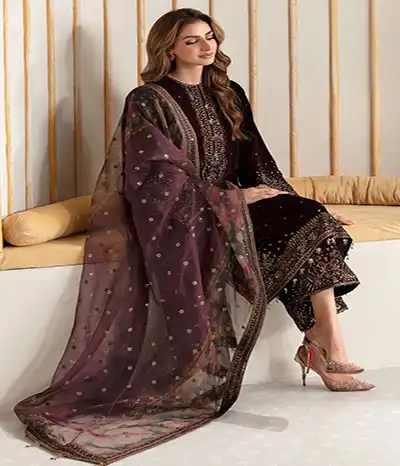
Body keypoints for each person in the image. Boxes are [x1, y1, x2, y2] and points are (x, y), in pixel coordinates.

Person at [14, 8, 374, 465]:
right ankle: (322, 349)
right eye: (192, 41)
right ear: (168, 48)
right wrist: (229, 198)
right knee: (306, 223)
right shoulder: (148, 100)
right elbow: (151, 181)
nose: (207, 48)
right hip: (182, 216)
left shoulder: (229, 93)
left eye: (210, 38)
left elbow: (258, 163)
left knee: (314, 221)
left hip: (236, 204)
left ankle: (327, 341)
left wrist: (298, 202)